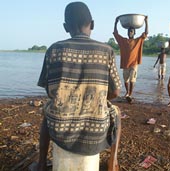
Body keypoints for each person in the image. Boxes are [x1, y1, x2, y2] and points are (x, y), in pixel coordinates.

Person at [35, 2, 121, 171]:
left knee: (48, 112)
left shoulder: (54, 50)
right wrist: (99, 99)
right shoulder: (107, 51)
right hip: (95, 133)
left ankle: (42, 163)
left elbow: (51, 92)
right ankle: (113, 161)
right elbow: (116, 92)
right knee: (116, 114)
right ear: (93, 24)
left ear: (66, 27)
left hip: (59, 129)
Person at [113, 15, 148, 103]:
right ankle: (127, 92)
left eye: (132, 31)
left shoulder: (138, 40)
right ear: (127, 32)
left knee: (132, 79)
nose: (130, 33)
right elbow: (115, 34)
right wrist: (116, 22)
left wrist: (146, 22)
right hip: (125, 63)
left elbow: (146, 33)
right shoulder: (123, 41)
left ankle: (130, 94)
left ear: (134, 33)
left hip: (134, 63)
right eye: (129, 31)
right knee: (126, 80)